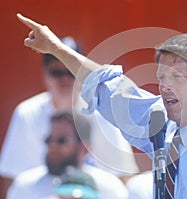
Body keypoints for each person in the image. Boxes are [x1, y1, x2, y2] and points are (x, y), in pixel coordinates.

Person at [17, 13, 187, 198]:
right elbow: (107, 85)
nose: (165, 86)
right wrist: (56, 48)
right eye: (161, 77)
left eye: (177, 77)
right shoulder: (161, 124)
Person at [0, 35, 139, 194]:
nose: (65, 79)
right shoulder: (26, 113)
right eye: (57, 72)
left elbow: (123, 176)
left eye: (71, 72)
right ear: (45, 74)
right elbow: (12, 179)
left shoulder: (103, 112)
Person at [7, 110, 129, 199]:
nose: (53, 146)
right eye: (49, 139)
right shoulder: (24, 185)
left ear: (84, 148)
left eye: (62, 141)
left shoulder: (111, 187)